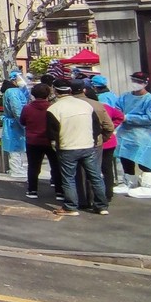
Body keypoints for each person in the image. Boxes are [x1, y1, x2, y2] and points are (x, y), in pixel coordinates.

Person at [45, 80, 108, 215]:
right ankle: (101, 206)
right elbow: (96, 127)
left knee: (69, 178)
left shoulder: (53, 108)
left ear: (55, 91)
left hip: (67, 147)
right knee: (95, 176)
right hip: (88, 145)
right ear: (70, 90)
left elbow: (52, 132)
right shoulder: (85, 105)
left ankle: (70, 206)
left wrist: (56, 144)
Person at [115, 72, 151, 199]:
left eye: (139, 81)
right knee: (125, 158)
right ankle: (129, 183)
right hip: (125, 135)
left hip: (143, 136)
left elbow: (150, 119)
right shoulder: (125, 97)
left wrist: (128, 117)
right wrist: (120, 117)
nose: (135, 84)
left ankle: (146, 188)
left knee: (145, 161)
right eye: (133, 80)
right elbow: (116, 110)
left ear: (146, 83)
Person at [72, 80, 115, 210]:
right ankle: (100, 203)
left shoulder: (67, 105)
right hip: (95, 143)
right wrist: (103, 138)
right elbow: (109, 126)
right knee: (95, 173)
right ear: (84, 90)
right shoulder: (98, 105)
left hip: (75, 142)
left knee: (79, 173)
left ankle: (83, 200)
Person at [88, 75, 126, 201]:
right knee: (107, 168)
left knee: (94, 169)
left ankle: (97, 195)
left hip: (98, 140)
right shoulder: (111, 96)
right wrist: (112, 129)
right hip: (110, 138)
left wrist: (104, 133)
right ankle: (108, 192)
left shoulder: (98, 105)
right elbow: (120, 116)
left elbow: (106, 122)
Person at [20, 82, 60, 200]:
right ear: (48, 94)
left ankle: (32, 190)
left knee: (33, 166)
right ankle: (59, 191)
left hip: (33, 140)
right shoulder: (53, 107)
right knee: (56, 165)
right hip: (51, 140)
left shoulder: (27, 108)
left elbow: (23, 121)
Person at [0, 71, 30, 179]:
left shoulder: (12, 91)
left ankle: (17, 168)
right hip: (15, 123)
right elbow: (17, 109)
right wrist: (24, 123)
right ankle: (16, 169)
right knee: (16, 147)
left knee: (16, 147)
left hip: (14, 122)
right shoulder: (13, 92)